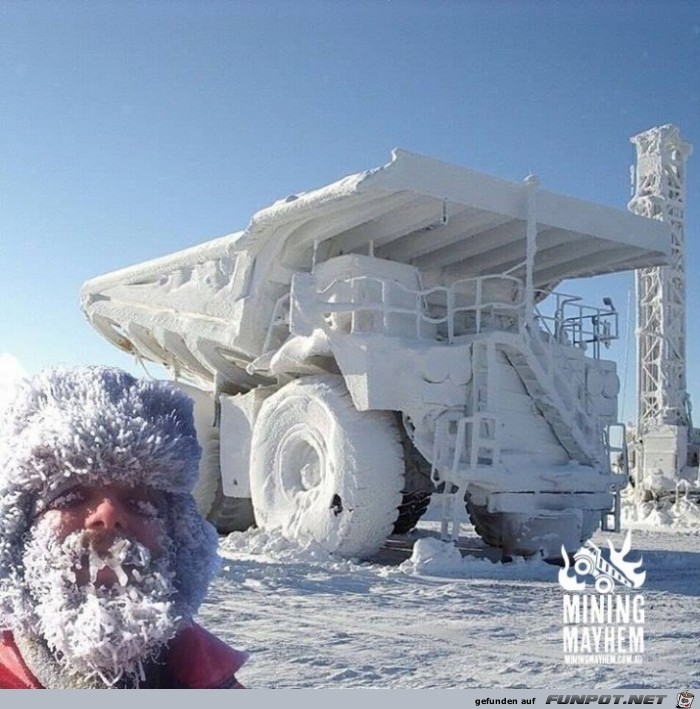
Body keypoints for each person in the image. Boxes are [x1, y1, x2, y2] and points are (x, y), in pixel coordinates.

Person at [0, 366, 247, 689]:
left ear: (177, 537)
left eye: (140, 501)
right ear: (19, 533)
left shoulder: (211, 678)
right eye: (71, 496)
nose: (108, 514)